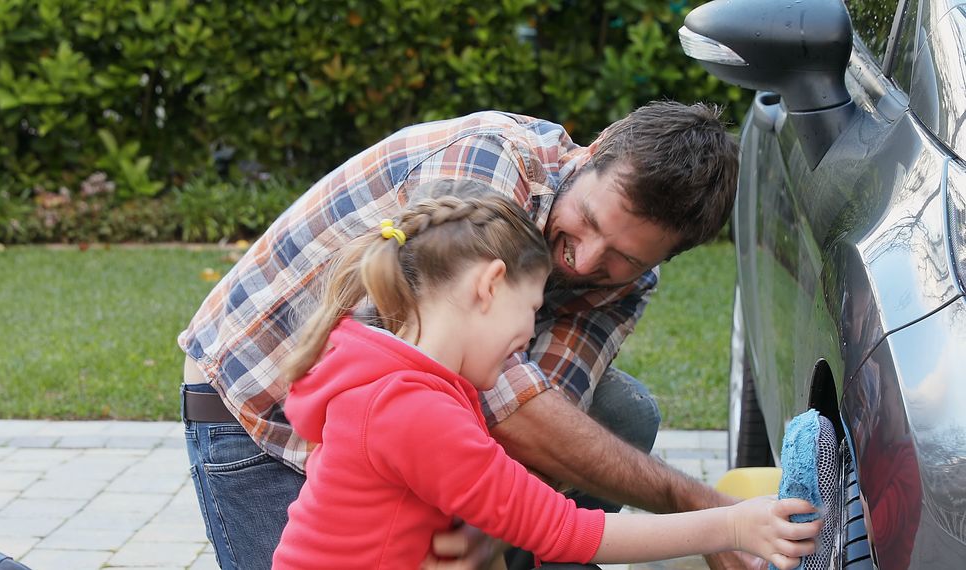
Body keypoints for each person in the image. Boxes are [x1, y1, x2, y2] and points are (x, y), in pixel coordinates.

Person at [179, 102, 748, 570]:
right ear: (591, 155)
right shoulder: (492, 159)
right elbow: (513, 408)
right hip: (252, 409)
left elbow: (555, 392)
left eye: (624, 256)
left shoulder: (624, 285)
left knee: (621, 414)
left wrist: (496, 525)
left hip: (398, 425)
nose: (583, 260)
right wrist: (697, 507)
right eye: (591, 223)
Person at [269, 190, 821, 569]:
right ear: (490, 286)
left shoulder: (391, 378)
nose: (530, 330)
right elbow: (565, 531)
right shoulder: (410, 408)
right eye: (532, 306)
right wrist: (728, 526)